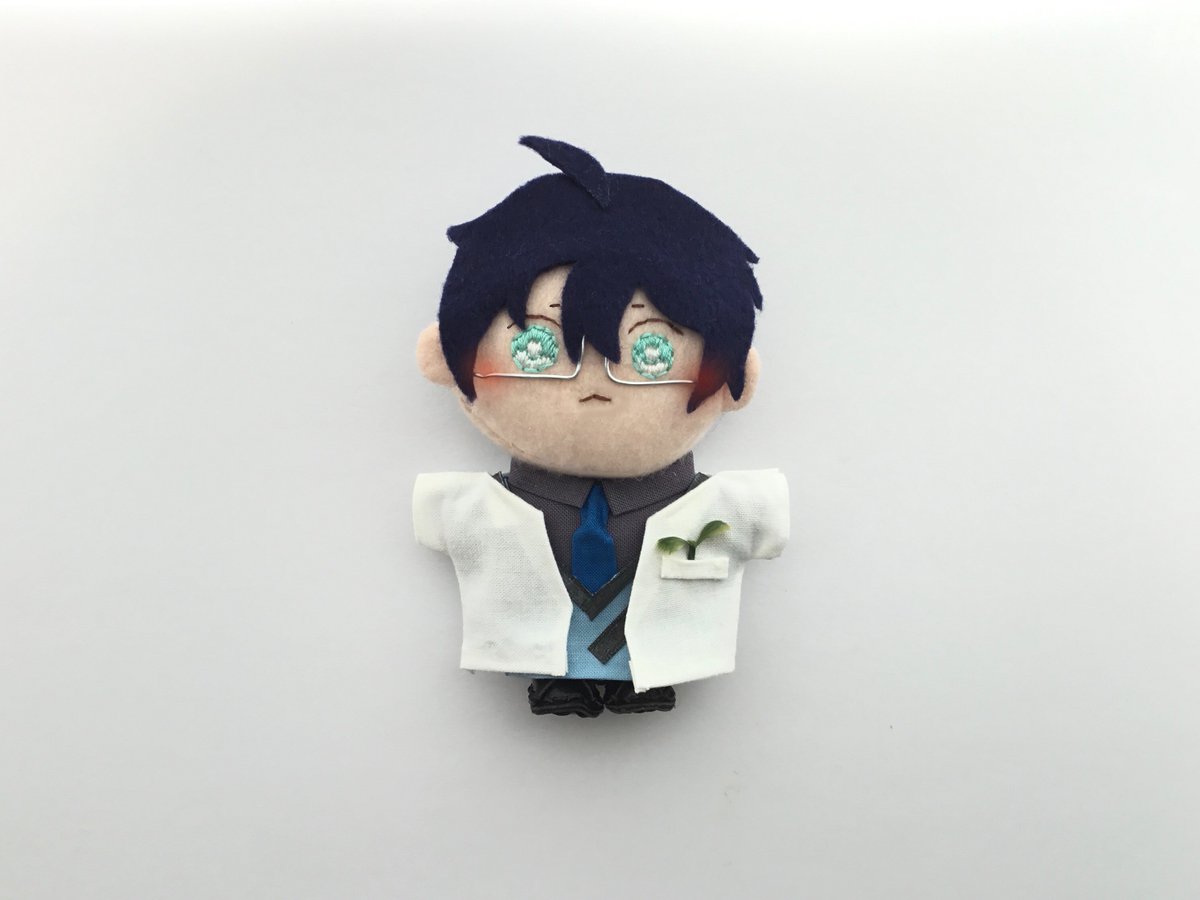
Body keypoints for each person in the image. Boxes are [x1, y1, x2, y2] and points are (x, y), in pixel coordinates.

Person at [413, 136, 788, 716]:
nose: (593, 382)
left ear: (735, 378)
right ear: (446, 357)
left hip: (666, 658)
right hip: (537, 655)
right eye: (537, 348)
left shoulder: (728, 506)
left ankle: (639, 677)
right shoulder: (472, 506)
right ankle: (562, 679)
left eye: (653, 352)